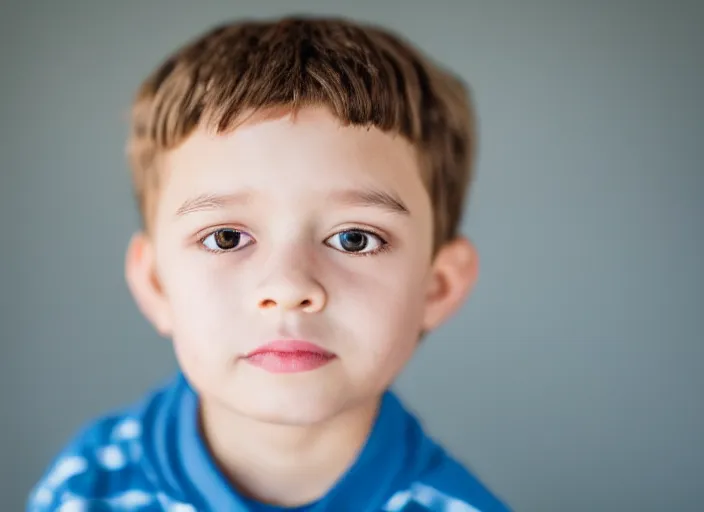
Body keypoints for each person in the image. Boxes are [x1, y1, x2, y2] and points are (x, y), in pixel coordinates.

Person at [28, 15, 510, 512]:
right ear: (156, 284)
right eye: (226, 237)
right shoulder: (85, 491)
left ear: (438, 287)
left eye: (354, 238)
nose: (288, 285)